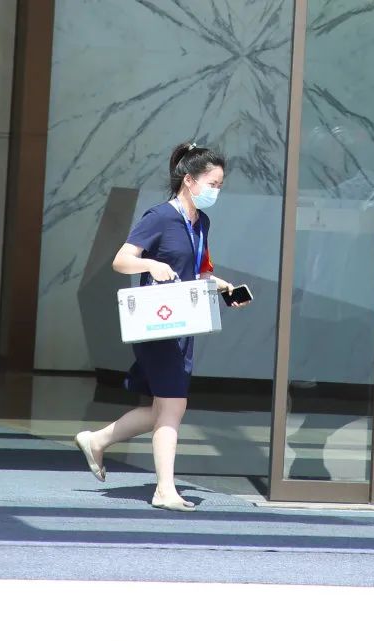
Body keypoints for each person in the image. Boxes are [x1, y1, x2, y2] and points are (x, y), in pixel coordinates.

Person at [74, 142, 246, 511]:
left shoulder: (201, 222)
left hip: (184, 325)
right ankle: (164, 489)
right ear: (189, 180)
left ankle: (97, 441)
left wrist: (225, 289)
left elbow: (198, 273)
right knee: (174, 406)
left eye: (220, 185)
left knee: (161, 409)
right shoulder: (159, 217)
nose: (216, 191)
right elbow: (122, 260)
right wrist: (151, 265)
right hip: (158, 325)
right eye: (212, 184)